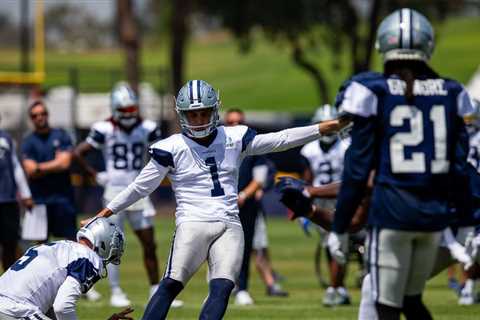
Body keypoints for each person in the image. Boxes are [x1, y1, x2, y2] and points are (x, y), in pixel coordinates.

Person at [82, 79, 347, 320]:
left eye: (203, 113)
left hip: (229, 224)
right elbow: (139, 187)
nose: (198, 119)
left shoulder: (233, 136)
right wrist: (104, 213)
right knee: (171, 283)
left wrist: (325, 128)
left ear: (214, 111)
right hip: (192, 224)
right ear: (182, 114)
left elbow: (282, 139)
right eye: (192, 114)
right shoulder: (171, 146)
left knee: (222, 288)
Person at [328, 8, 475, 320]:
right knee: (411, 301)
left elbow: (357, 169)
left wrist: (340, 226)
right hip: (433, 217)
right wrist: (463, 223)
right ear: (428, 45)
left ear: (383, 45)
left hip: (392, 214)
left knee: (386, 308)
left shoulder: (371, 90)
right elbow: (460, 169)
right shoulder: (452, 92)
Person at [73, 83, 176, 308]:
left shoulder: (147, 127)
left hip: (138, 190)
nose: (129, 114)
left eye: (132, 110)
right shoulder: (104, 128)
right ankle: (116, 290)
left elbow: (163, 153)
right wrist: (95, 174)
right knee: (109, 245)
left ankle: (154, 290)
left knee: (149, 243)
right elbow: (79, 153)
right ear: (115, 109)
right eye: (125, 110)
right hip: (113, 192)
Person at [0, 217, 132, 320]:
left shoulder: (54, 247)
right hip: (15, 309)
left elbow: (52, 312)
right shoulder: (88, 257)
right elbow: (63, 307)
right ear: (105, 243)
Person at [223, 109, 287, 306]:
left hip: (246, 204)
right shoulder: (216, 144)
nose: (235, 125)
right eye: (231, 122)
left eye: (239, 121)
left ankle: (242, 287)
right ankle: (220, 285)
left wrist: (242, 196)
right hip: (219, 205)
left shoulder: (252, 146)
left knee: (247, 246)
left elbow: (259, 178)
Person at [300, 104, 351, 306]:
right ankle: (338, 287)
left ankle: (335, 287)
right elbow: (307, 179)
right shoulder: (309, 149)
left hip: (344, 199)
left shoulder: (346, 146)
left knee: (336, 243)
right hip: (320, 202)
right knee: (331, 246)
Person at [21, 101, 77, 242]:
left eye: (43, 113)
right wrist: (55, 164)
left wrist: (39, 167)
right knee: (41, 247)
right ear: (31, 118)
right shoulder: (28, 141)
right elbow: (30, 170)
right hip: (39, 200)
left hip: (63, 198)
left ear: (48, 115)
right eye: (35, 115)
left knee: (70, 244)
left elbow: (65, 163)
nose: (40, 117)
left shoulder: (61, 135)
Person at [0, 116, 33, 271]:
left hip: (8, 200)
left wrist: (26, 194)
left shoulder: (6, 139)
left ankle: (7, 285)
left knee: (10, 244)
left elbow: (16, 167)